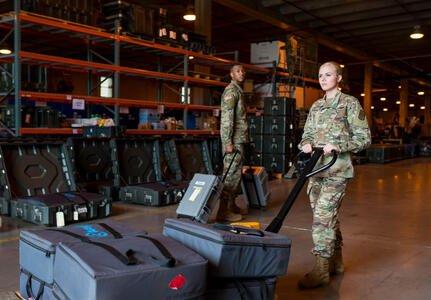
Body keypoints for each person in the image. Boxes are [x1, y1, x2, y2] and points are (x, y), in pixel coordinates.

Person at [297, 61, 371, 289]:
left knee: (322, 218)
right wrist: (306, 144)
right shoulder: (316, 106)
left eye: (328, 75)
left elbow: (364, 138)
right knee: (329, 219)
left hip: (337, 171)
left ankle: (321, 270)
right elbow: (306, 135)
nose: (323, 78)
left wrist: (338, 145)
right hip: (315, 170)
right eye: (320, 75)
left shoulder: (349, 103)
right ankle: (336, 261)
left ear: (338, 78)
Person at [217, 64, 248, 222]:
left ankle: (232, 206)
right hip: (233, 141)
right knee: (229, 176)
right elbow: (227, 120)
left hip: (238, 140)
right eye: (237, 71)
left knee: (236, 176)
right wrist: (227, 141)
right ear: (231, 74)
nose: (241, 73)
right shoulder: (231, 91)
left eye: (243, 71)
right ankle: (223, 213)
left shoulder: (238, 90)